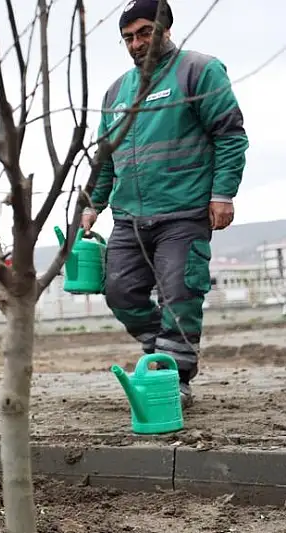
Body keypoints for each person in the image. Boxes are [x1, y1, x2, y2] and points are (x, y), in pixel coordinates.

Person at [86, 0, 248, 408]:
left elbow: (230, 135)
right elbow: (106, 157)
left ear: (166, 28)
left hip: (184, 211)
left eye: (144, 32)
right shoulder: (115, 91)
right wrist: (91, 205)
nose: (137, 43)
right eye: (128, 37)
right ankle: (163, 350)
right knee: (120, 292)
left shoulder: (198, 70)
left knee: (181, 293)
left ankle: (175, 378)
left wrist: (222, 193)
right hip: (129, 218)